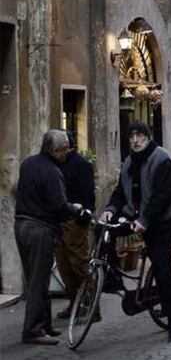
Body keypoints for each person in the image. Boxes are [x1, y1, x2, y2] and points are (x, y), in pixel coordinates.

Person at [100, 120, 171, 343]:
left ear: (148, 137)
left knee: (161, 265)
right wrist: (110, 210)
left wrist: (145, 219)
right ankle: (112, 277)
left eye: (140, 136)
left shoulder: (162, 158)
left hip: (161, 221)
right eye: (132, 136)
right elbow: (120, 191)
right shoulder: (128, 162)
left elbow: (162, 196)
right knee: (103, 230)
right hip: (135, 215)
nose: (135, 140)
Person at [14, 130, 83, 345]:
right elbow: (59, 205)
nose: (66, 153)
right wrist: (75, 208)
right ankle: (33, 330)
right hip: (40, 229)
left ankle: (45, 325)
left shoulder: (27, 164)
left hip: (21, 225)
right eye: (64, 150)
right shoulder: (53, 172)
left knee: (37, 276)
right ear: (54, 150)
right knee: (38, 281)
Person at [55, 131, 96, 320]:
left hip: (75, 222)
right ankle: (75, 302)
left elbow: (88, 195)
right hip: (60, 222)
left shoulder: (81, 164)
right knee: (64, 267)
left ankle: (92, 308)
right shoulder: (56, 163)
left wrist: (83, 218)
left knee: (79, 265)